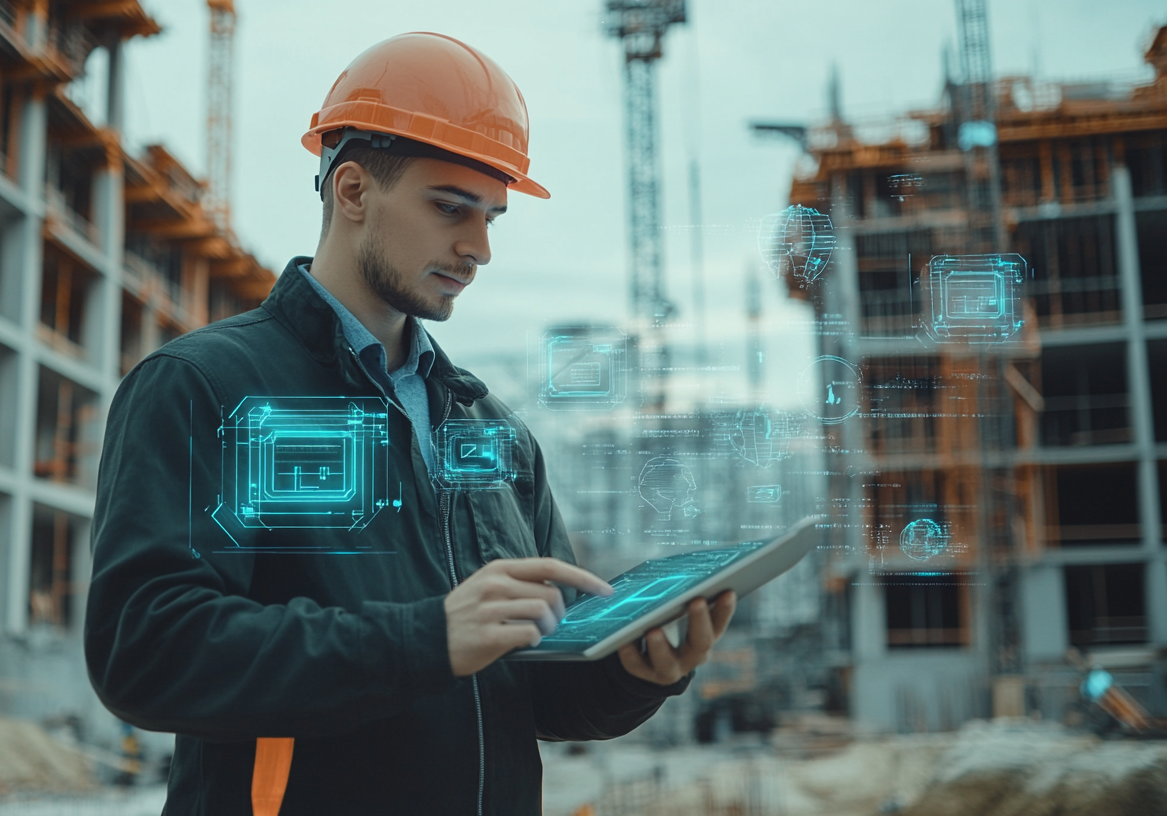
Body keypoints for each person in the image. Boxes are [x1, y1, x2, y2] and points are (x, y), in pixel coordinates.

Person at [84, 32, 736, 815]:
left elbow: (544, 695)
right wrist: (424, 639)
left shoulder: (495, 436)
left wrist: (637, 670)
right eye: (450, 208)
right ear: (353, 190)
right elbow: (145, 649)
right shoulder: (208, 389)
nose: (480, 248)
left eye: (492, 216)